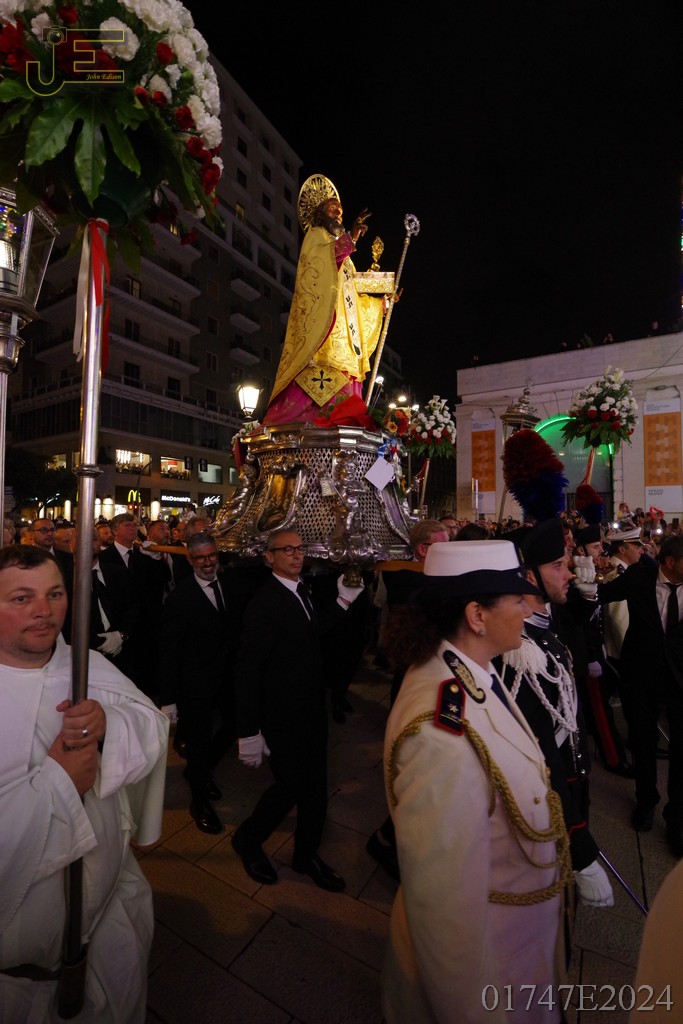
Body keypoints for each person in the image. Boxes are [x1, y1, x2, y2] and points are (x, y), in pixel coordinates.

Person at [381, 540, 570, 1024]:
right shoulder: (439, 738)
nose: (529, 610)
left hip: (518, 943)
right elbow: (445, 914)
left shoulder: (468, 669)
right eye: (518, 599)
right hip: (493, 972)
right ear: (476, 615)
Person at [0, 545, 168, 1023]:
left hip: (107, 926)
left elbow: (151, 725)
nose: (44, 610)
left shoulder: (87, 667)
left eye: (55, 594)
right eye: (21, 598)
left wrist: (109, 725)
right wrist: (60, 782)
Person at [231, 528, 363, 890]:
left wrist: (344, 601)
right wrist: (248, 731)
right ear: (269, 557)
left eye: (300, 548)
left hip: (311, 708)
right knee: (290, 785)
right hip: (282, 714)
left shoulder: (300, 589)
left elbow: (310, 631)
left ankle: (306, 855)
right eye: (286, 550)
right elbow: (247, 669)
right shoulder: (264, 603)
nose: (296, 554)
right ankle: (248, 838)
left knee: (317, 786)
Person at [498, 518, 613, 907]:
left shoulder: (543, 626)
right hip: (549, 795)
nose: (569, 574)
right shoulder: (521, 653)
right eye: (558, 566)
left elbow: (571, 616)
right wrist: (580, 843)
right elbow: (542, 753)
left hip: (573, 777)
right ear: (529, 576)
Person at [263, 174, 389, 426]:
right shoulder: (316, 236)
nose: (338, 214)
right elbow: (320, 267)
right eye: (333, 209)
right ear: (320, 213)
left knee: (347, 392)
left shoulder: (348, 257)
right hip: (323, 334)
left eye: (340, 211)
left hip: (346, 335)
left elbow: (354, 296)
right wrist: (352, 238)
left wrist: (381, 301)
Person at [159, 532, 254, 835]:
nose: (207, 563)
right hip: (195, 683)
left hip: (228, 677)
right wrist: (168, 698)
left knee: (233, 725)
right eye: (200, 558)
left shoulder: (232, 583)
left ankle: (200, 770)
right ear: (190, 560)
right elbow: (170, 650)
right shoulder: (180, 597)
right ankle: (199, 801)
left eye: (211, 556)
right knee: (198, 741)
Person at [598, 535, 683, 856]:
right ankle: (646, 800)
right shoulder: (638, 577)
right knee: (643, 740)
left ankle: (677, 816)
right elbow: (601, 596)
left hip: (680, 680)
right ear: (670, 562)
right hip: (641, 676)